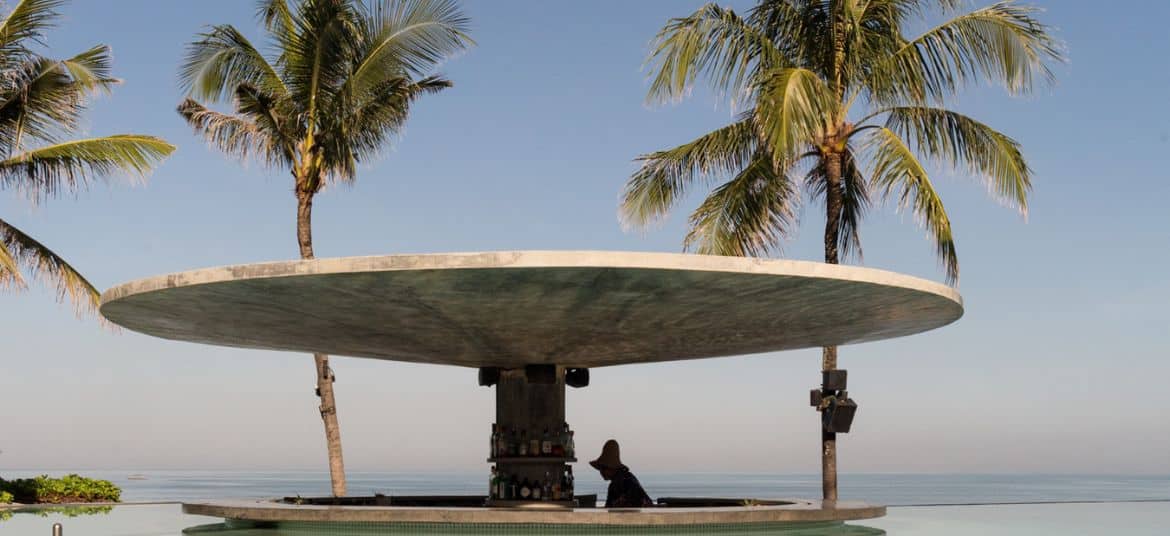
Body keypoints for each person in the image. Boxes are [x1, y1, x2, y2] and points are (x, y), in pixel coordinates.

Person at [589, 439, 653, 508]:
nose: (601, 472)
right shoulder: (617, 483)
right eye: (600, 469)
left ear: (612, 467)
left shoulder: (626, 481)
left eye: (604, 468)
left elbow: (644, 504)